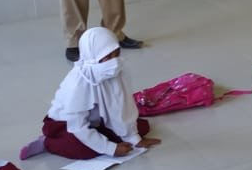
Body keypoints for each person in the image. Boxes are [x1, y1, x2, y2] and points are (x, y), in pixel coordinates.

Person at [21, 26, 161, 160]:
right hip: (64, 124)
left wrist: (134, 138)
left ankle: (108, 139)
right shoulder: (78, 83)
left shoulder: (116, 71)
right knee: (83, 150)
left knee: (141, 127)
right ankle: (47, 143)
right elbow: (77, 125)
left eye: (116, 53)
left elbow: (121, 106)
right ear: (92, 56)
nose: (114, 61)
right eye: (107, 57)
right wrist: (110, 149)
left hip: (95, 120)